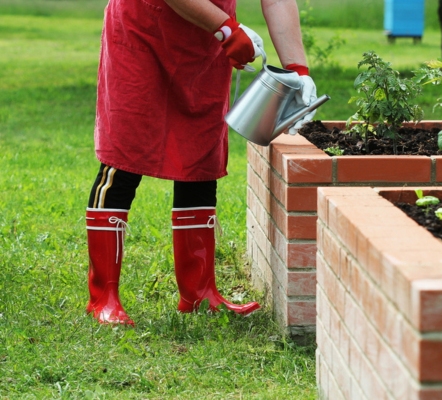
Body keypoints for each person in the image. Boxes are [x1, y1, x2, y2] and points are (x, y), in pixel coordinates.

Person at [85, 0, 318, 326]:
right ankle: (103, 297)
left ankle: (199, 293)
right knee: (125, 149)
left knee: (200, 155)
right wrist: (227, 29)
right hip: (144, 31)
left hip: (205, 41)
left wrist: (298, 70)